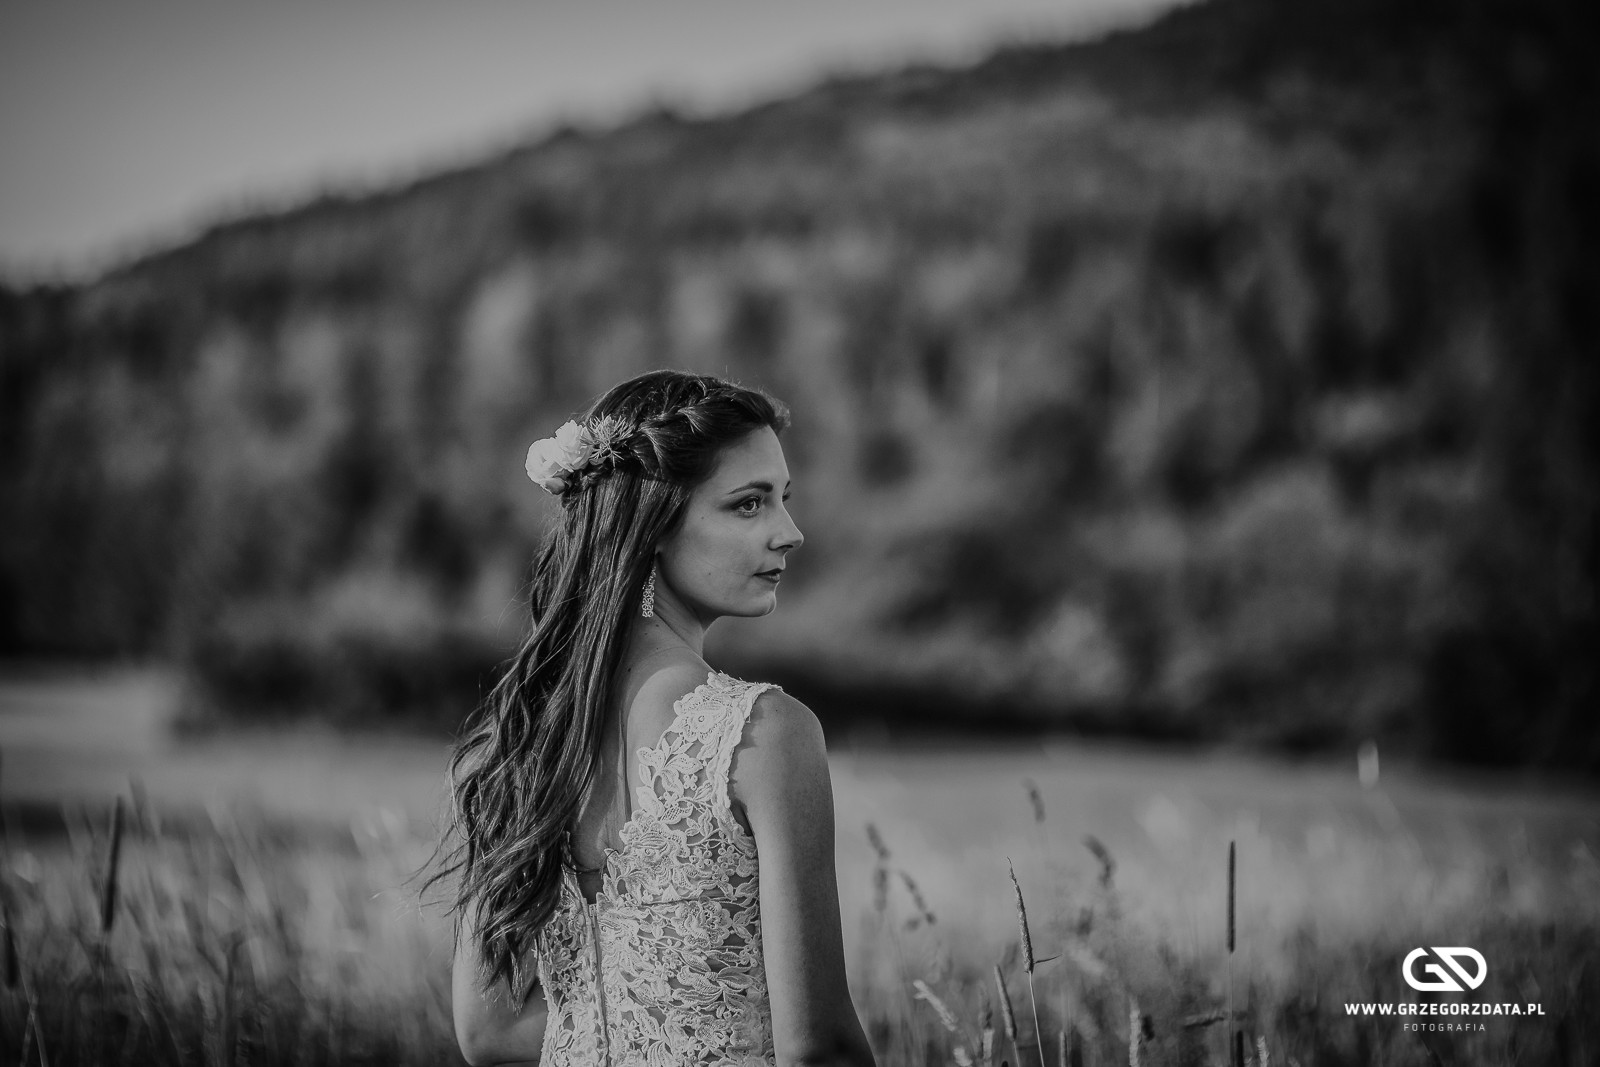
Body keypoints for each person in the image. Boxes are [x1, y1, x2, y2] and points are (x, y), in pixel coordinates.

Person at [436, 370, 877, 1067]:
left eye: (782, 499)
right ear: (655, 524)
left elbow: (487, 1033)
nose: (790, 533)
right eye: (748, 504)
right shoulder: (764, 734)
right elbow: (819, 1049)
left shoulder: (518, 744)